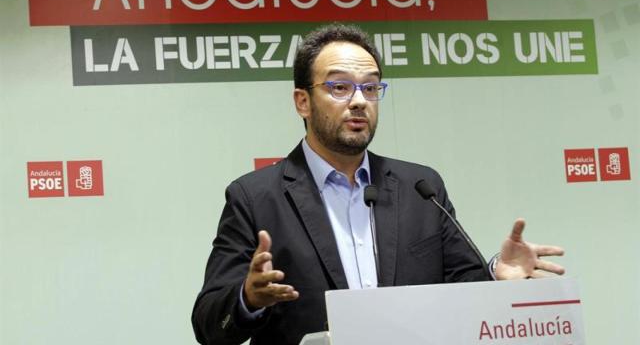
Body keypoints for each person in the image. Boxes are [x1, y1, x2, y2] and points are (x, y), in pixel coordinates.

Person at [191, 23, 565, 345]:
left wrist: (496, 273)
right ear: (302, 102)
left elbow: (461, 288)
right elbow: (209, 325)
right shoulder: (256, 197)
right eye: (340, 87)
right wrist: (248, 299)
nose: (359, 101)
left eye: (370, 88)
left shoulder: (420, 186)